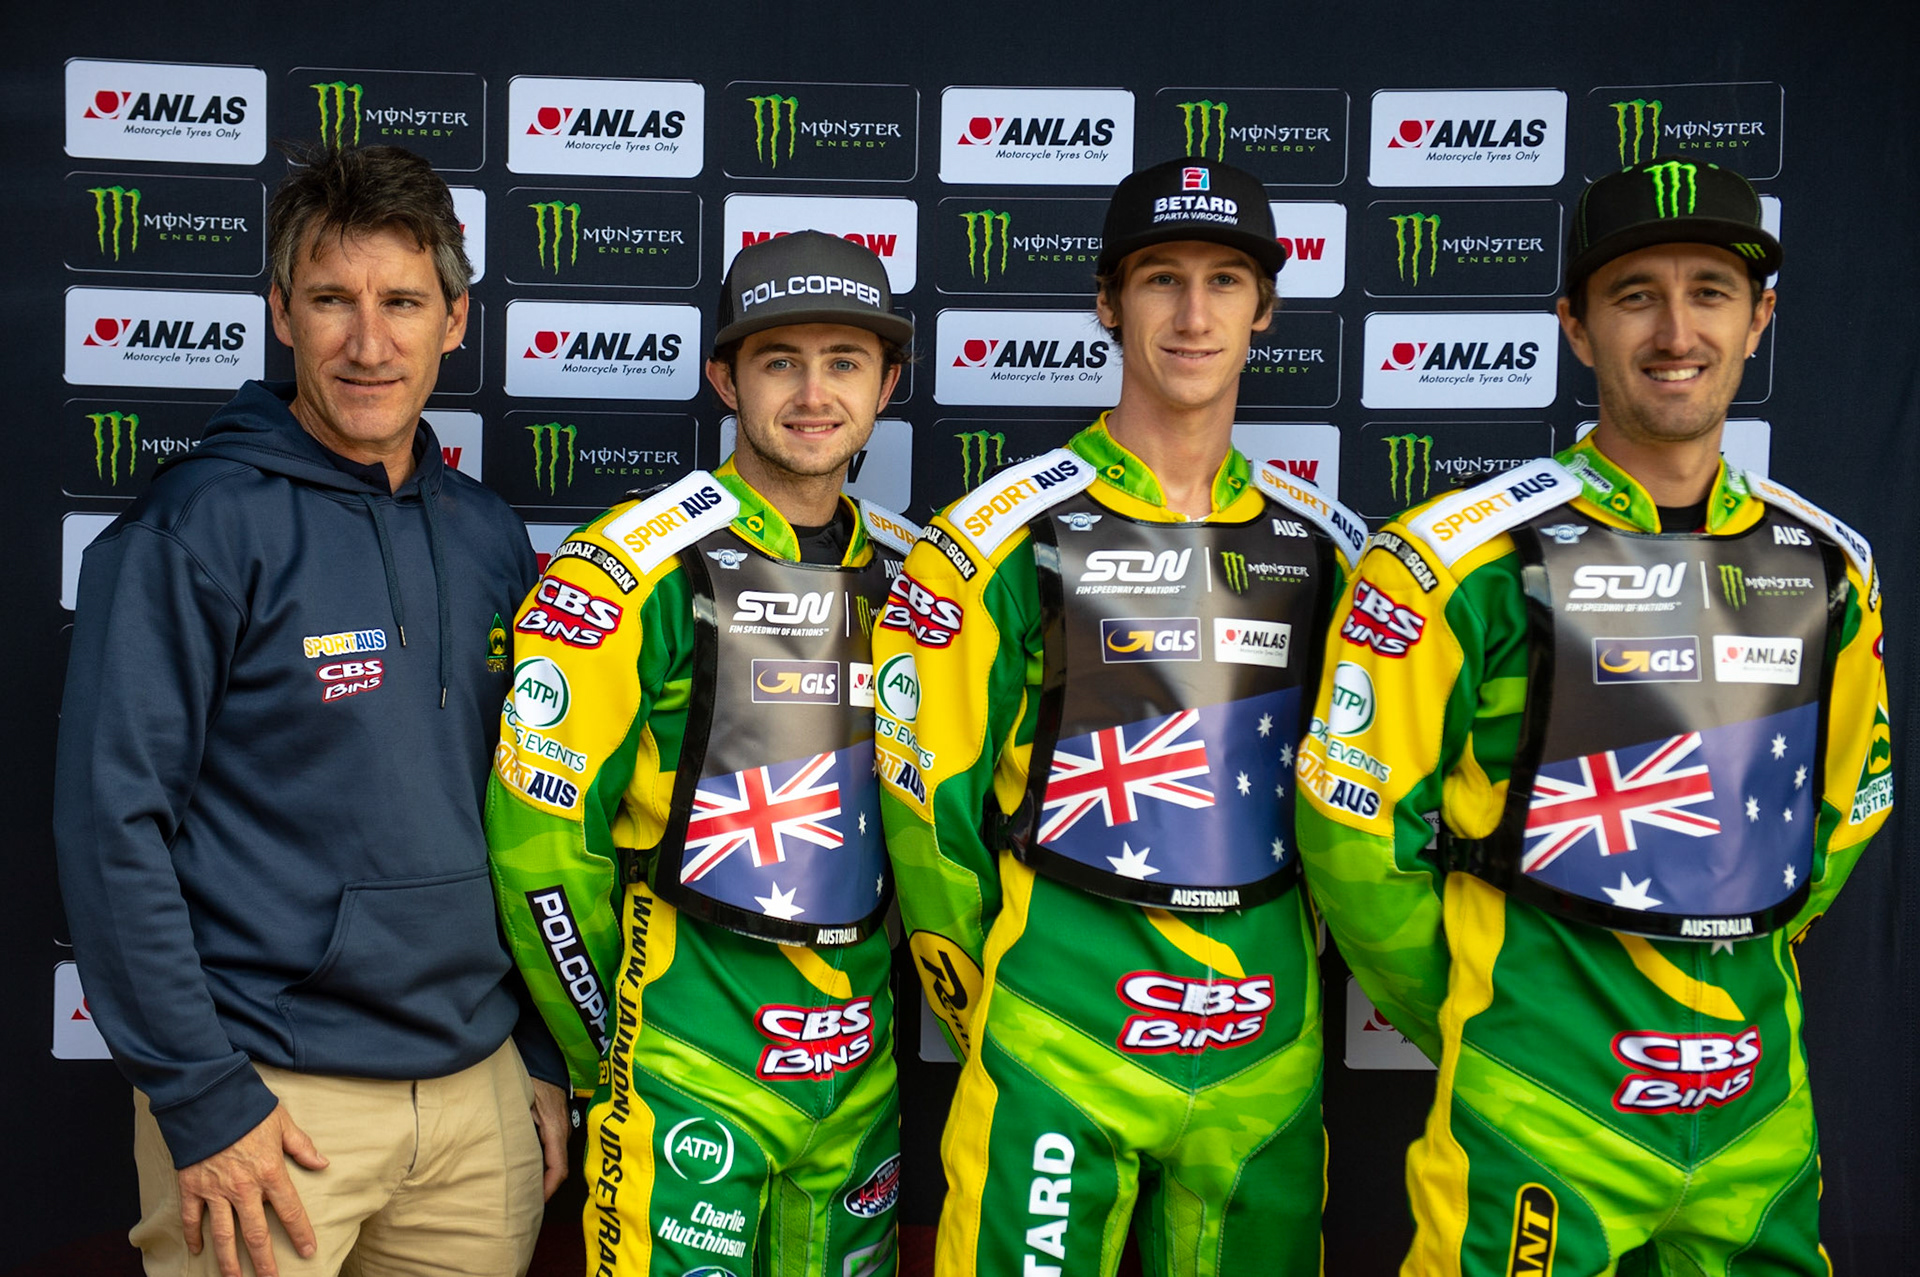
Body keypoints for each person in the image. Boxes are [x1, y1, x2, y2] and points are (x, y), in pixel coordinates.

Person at [1297, 154, 1892, 1276]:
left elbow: (1849, 802)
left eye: (1710, 291)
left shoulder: (1828, 562)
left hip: (1754, 1114)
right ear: (1575, 328)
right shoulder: (1454, 560)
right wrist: (1489, 1014)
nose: (1677, 331)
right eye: (1635, 296)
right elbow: (1351, 822)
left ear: (1759, 320)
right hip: (1539, 1097)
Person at [53, 145, 568, 1277]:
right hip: (273, 1102)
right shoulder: (196, 527)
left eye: (402, 302)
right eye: (332, 300)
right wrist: (201, 1097)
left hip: (477, 1099)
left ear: (456, 317)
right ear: (281, 313)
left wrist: (535, 1046)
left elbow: (530, 811)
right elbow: (112, 823)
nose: (369, 343)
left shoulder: (488, 536)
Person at [877, 157, 1364, 1277]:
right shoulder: (998, 536)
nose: (1193, 315)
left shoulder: (1332, 550)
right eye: (1160, 280)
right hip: (1059, 1038)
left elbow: (1365, 806)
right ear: (1108, 301)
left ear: (1266, 307)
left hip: (1262, 1058)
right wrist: (1001, 1010)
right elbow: (924, 810)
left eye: (1224, 281)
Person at [487, 229, 914, 1277]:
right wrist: (616, 1049)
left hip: (858, 1083)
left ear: (888, 383)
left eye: (844, 361)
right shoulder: (633, 565)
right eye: (779, 361)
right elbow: (542, 841)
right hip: (687, 1067)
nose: (813, 394)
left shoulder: (920, 577)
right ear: (725, 375)